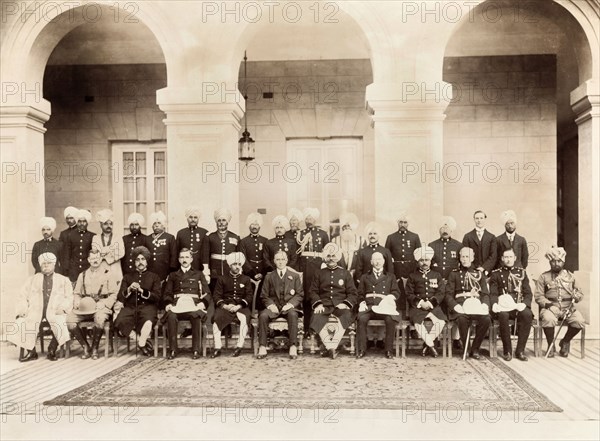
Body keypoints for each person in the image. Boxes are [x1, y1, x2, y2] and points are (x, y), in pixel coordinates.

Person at [8, 252, 73, 362]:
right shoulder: (32, 280)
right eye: (43, 264)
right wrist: (23, 309)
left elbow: (69, 297)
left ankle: (52, 349)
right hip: (36, 310)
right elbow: (22, 296)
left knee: (59, 322)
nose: (46, 266)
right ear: (40, 265)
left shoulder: (63, 280)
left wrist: (63, 308)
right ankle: (31, 351)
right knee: (23, 321)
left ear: (54, 264)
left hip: (54, 310)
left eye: (48, 263)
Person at [308, 243, 357, 359]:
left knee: (346, 316)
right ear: (325, 257)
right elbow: (313, 291)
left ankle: (330, 346)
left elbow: (353, 293)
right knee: (316, 316)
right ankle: (332, 348)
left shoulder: (345, 273)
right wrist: (318, 304)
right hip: (324, 305)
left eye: (333, 256)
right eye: (328, 256)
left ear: (338, 257)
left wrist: (345, 304)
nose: (331, 259)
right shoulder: (319, 273)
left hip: (340, 305)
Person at [67, 249, 117, 359]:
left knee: (99, 318)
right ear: (89, 260)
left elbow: (114, 294)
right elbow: (76, 293)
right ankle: (85, 346)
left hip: (101, 305)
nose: (95, 260)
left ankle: (95, 348)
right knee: (70, 320)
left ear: (101, 259)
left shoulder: (108, 274)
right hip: (84, 307)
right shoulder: (82, 275)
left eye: (97, 258)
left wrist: (104, 304)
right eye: (93, 258)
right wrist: (77, 301)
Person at [535, 246, 585, 357]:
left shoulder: (571, 277)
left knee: (579, 321)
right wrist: (550, 305)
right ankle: (550, 344)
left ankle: (565, 342)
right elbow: (538, 296)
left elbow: (580, 293)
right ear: (550, 262)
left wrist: (577, 296)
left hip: (568, 308)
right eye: (553, 261)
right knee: (548, 319)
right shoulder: (544, 277)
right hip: (550, 308)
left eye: (559, 261)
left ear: (563, 262)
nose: (556, 264)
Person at [162, 248, 211, 360]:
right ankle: (173, 349)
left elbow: (207, 293)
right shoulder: (173, 275)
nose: (184, 260)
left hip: (193, 305)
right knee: (171, 316)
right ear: (179, 260)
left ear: (191, 259)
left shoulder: (198, 274)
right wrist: (168, 303)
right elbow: (168, 293)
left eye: (187, 257)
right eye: (182, 257)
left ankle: (195, 350)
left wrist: (203, 303)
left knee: (196, 315)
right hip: (177, 305)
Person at [113, 246, 162, 356]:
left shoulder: (154, 277)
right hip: (130, 307)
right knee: (119, 320)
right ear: (134, 262)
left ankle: (141, 343)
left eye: (143, 259)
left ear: (147, 261)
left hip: (148, 307)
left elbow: (157, 297)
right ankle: (141, 342)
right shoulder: (127, 277)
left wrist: (141, 290)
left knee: (148, 321)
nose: (140, 262)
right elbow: (120, 297)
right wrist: (129, 289)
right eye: (138, 260)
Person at [444, 247, 491, 359]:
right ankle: (467, 347)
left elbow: (485, 294)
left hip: (475, 305)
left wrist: (484, 305)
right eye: (462, 257)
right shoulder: (454, 274)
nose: (464, 259)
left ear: (472, 258)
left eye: (467, 257)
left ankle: (475, 348)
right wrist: (455, 306)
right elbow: (448, 294)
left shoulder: (478, 274)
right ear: (459, 258)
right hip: (460, 305)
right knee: (461, 319)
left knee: (486, 319)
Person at [257, 250, 304, 359]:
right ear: (274, 261)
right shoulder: (269, 276)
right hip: (274, 307)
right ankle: (262, 346)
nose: (280, 262)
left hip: (289, 307)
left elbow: (300, 294)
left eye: (283, 259)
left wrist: (291, 304)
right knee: (263, 316)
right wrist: (270, 305)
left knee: (293, 315)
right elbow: (264, 295)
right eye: (278, 259)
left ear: (287, 260)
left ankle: (293, 346)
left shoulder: (295, 276)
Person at [489, 248, 533, 361]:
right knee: (503, 316)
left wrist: (524, 304)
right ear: (502, 259)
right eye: (506, 257)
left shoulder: (521, 273)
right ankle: (507, 350)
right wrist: (494, 304)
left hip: (517, 305)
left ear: (515, 258)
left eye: (510, 257)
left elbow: (528, 293)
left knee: (527, 314)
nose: (508, 260)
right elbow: (493, 293)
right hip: (503, 306)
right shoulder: (496, 274)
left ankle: (520, 351)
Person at [356, 251, 401, 359]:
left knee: (390, 319)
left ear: (384, 261)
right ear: (371, 262)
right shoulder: (364, 277)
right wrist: (362, 302)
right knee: (361, 319)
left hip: (384, 308)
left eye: (379, 259)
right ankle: (362, 349)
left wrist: (391, 297)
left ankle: (388, 350)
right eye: (375, 259)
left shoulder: (390, 276)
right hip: (369, 307)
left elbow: (396, 292)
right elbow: (360, 293)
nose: (377, 262)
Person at [406, 246, 447, 357]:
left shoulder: (437, 275)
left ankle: (428, 344)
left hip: (433, 306)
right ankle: (431, 345)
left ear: (430, 261)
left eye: (426, 260)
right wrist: (420, 303)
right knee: (418, 323)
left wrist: (430, 303)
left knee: (441, 322)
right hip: (418, 307)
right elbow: (409, 294)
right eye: (422, 260)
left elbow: (441, 293)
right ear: (418, 262)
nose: (424, 263)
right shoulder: (412, 276)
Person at [211, 252, 253, 357]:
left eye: (239, 264)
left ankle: (239, 346)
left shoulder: (246, 279)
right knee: (216, 319)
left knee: (244, 319)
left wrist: (239, 306)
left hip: (241, 306)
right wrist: (225, 306)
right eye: (235, 264)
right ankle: (217, 347)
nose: (237, 266)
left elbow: (249, 297)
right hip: (225, 306)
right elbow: (216, 296)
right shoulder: (222, 278)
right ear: (230, 265)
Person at [297, 207, 330, 337]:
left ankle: (316, 329)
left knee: (317, 297)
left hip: (318, 268)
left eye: (311, 218)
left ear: (315, 219)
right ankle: (306, 329)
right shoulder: (300, 234)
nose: (308, 220)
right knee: (306, 298)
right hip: (304, 269)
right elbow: (297, 254)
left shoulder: (322, 234)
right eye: (306, 218)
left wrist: (324, 266)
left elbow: (327, 251)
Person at [385, 211, 421, 313]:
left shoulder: (414, 236)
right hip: (396, 271)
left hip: (411, 270)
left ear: (408, 224)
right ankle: (398, 318)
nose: (403, 225)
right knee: (398, 295)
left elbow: (418, 256)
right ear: (397, 223)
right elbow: (387, 256)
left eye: (405, 222)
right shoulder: (391, 237)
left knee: (411, 293)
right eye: (401, 222)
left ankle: (411, 317)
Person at [205, 208, 240, 291]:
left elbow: (238, 256)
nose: (221, 222)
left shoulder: (235, 236)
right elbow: (205, 256)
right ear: (216, 222)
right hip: (215, 273)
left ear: (227, 222)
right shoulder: (210, 237)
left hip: (230, 272)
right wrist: (207, 272)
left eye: (224, 220)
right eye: (219, 220)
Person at [239, 213, 269, 309]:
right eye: (252, 224)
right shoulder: (243, 241)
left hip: (262, 274)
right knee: (248, 296)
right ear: (249, 226)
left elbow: (266, 258)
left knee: (262, 298)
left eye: (256, 224)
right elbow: (243, 259)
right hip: (248, 274)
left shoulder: (265, 240)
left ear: (259, 226)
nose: (254, 227)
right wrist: (252, 274)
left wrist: (262, 273)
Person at [91, 209, 125, 288]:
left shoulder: (118, 237)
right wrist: (112, 249)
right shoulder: (95, 238)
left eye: (111, 224)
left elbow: (121, 252)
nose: (108, 226)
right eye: (105, 224)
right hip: (100, 269)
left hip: (115, 270)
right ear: (101, 225)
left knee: (116, 293)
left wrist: (103, 253)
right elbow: (95, 253)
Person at [63, 209, 96, 283]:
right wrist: (67, 271)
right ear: (77, 222)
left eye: (84, 221)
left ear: (87, 223)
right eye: (79, 221)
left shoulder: (92, 236)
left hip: (87, 268)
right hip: (73, 270)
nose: (82, 224)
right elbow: (67, 254)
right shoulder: (70, 235)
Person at [462, 210, 496, 277]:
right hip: (471, 271)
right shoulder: (468, 236)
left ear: (485, 219)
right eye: (477, 218)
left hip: (487, 272)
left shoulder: (491, 237)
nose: (479, 220)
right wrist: (473, 268)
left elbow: (493, 255)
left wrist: (484, 268)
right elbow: (465, 254)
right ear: (474, 219)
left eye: (481, 218)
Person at [175, 206, 208, 274]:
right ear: (187, 218)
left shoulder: (204, 232)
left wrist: (205, 268)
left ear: (198, 219)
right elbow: (177, 251)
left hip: (198, 265)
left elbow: (206, 252)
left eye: (195, 217)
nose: (193, 219)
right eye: (190, 217)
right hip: (184, 265)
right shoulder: (181, 233)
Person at [147, 210, 178, 282]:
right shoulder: (147, 239)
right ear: (152, 225)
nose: (156, 225)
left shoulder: (170, 237)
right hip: (150, 271)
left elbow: (174, 256)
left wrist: (171, 273)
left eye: (159, 223)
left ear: (163, 225)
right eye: (154, 223)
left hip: (165, 271)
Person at [429, 216, 462, 281]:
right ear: (439, 230)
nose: (445, 231)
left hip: (453, 280)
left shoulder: (458, 245)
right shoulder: (432, 245)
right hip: (436, 279)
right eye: (442, 228)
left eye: (447, 228)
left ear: (451, 230)